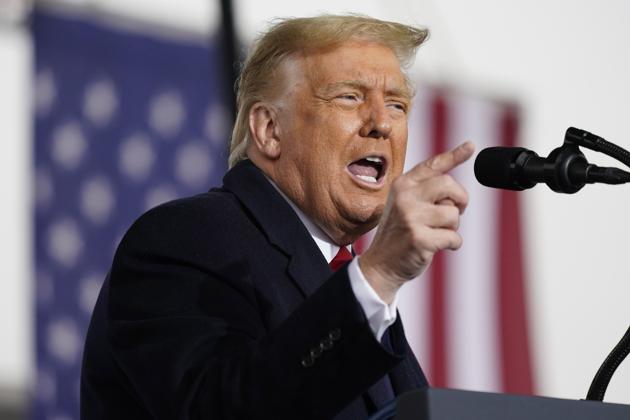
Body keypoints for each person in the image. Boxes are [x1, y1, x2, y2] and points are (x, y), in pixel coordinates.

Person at [80, 14, 474, 420]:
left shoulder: (346, 280)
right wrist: (378, 277)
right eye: (349, 97)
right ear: (269, 130)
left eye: (396, 104)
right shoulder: (184, 238)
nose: (382, 124)